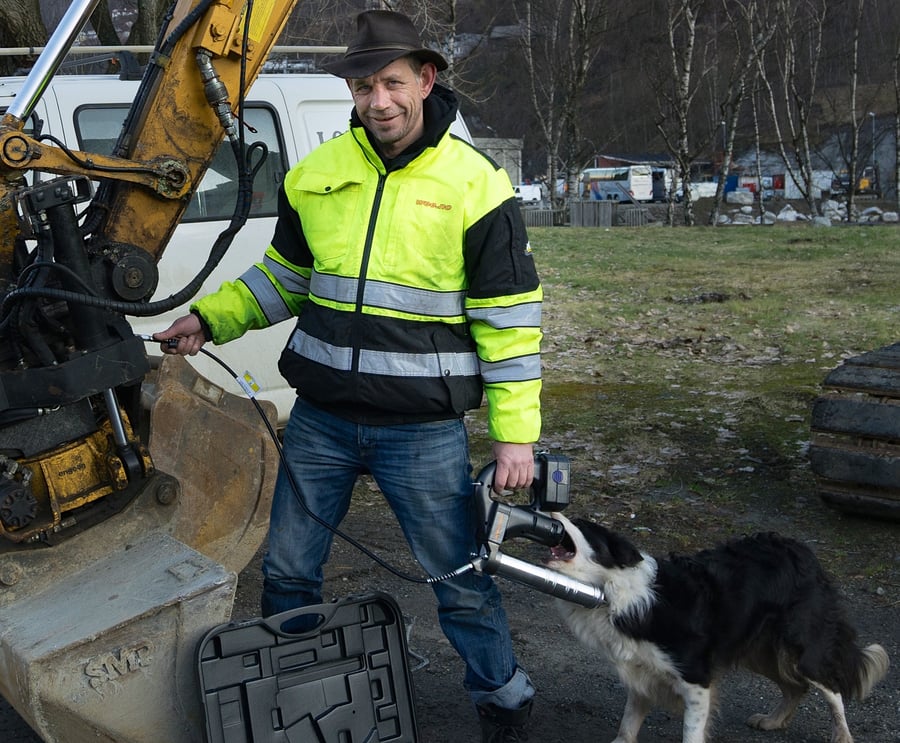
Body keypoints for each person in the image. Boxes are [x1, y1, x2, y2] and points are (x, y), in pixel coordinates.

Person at [155, 10, 542, 741]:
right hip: (322, 420)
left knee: (457, 580)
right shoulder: (319, 174)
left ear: (425, 80)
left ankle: (506, 702)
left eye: (393, 83)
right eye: (364, 86)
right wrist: (208, 320)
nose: (379, 101)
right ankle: (288, 702)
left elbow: (509, 323)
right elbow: (281, 281)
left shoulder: (477, 186)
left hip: (422, 431)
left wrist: (516, 437)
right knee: (289, 570)